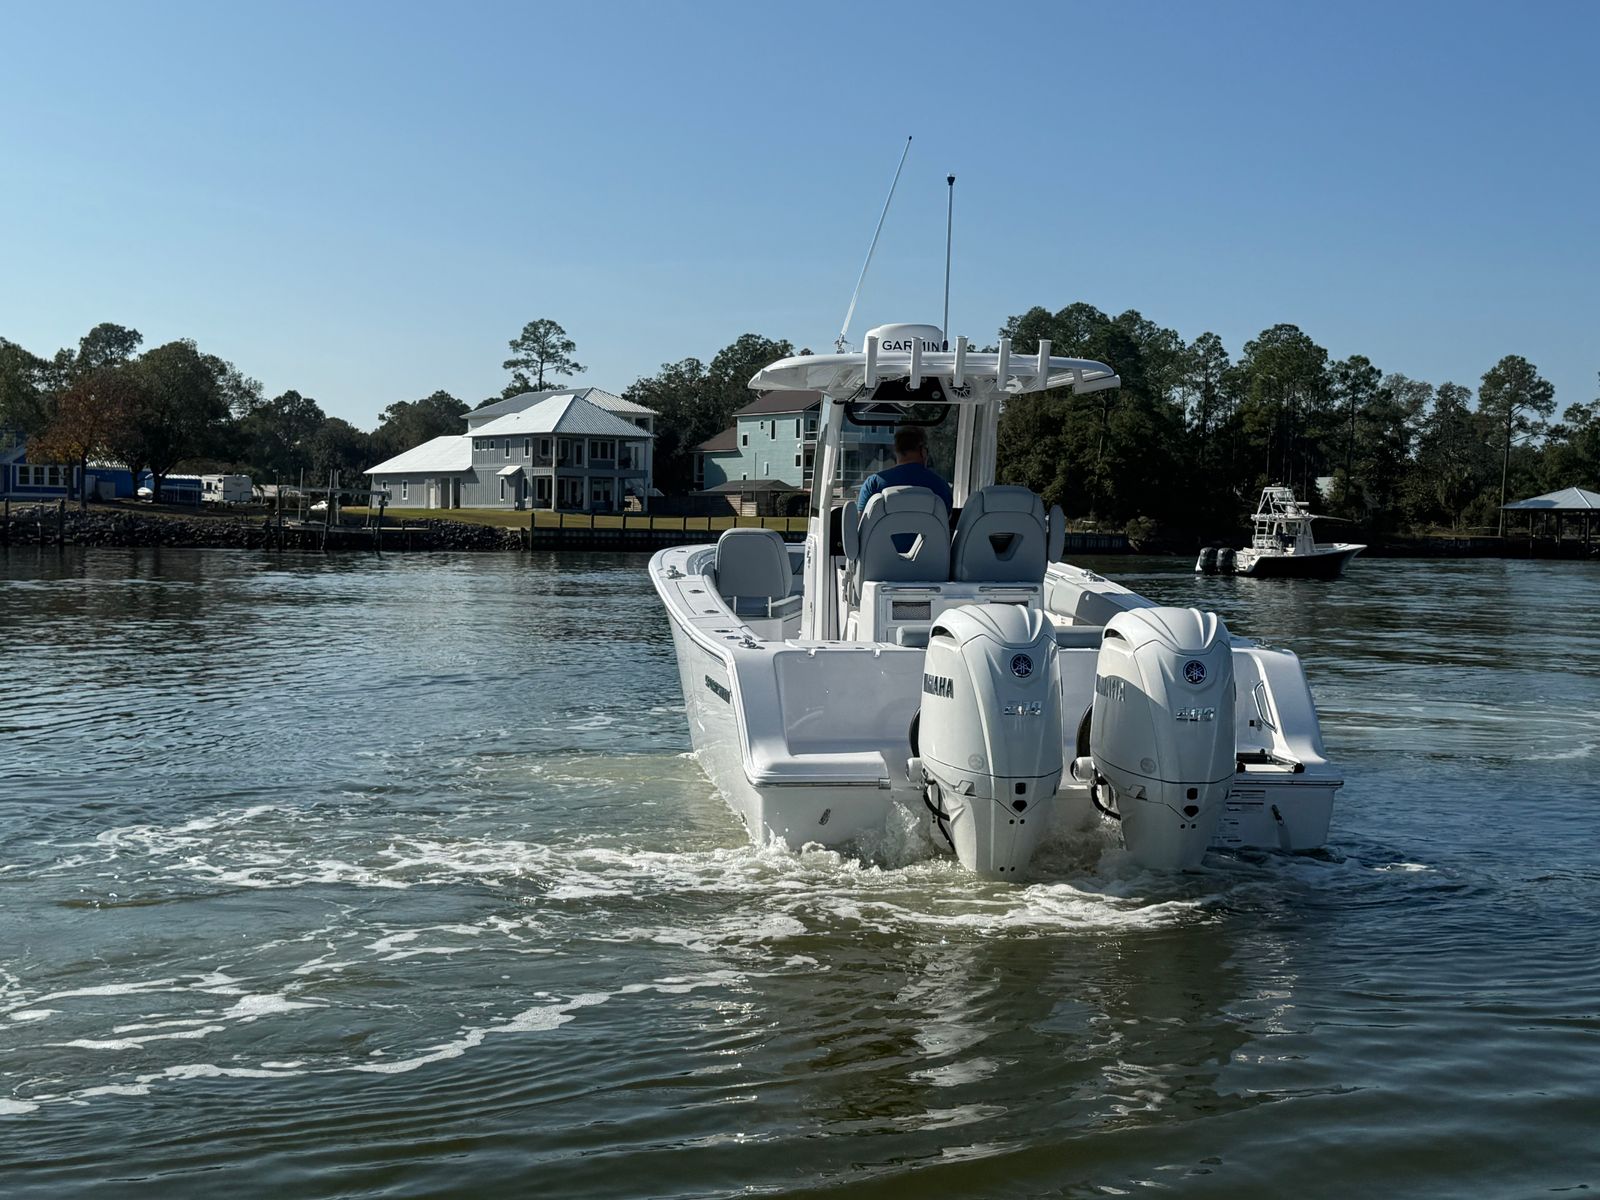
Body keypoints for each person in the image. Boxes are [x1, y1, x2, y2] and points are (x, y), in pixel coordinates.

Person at [856, 425, 952, 515]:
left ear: (896, 451)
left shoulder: (873, 484)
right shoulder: (941, 486)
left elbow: (861, 520)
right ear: (923, 451)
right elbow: (945, 520)